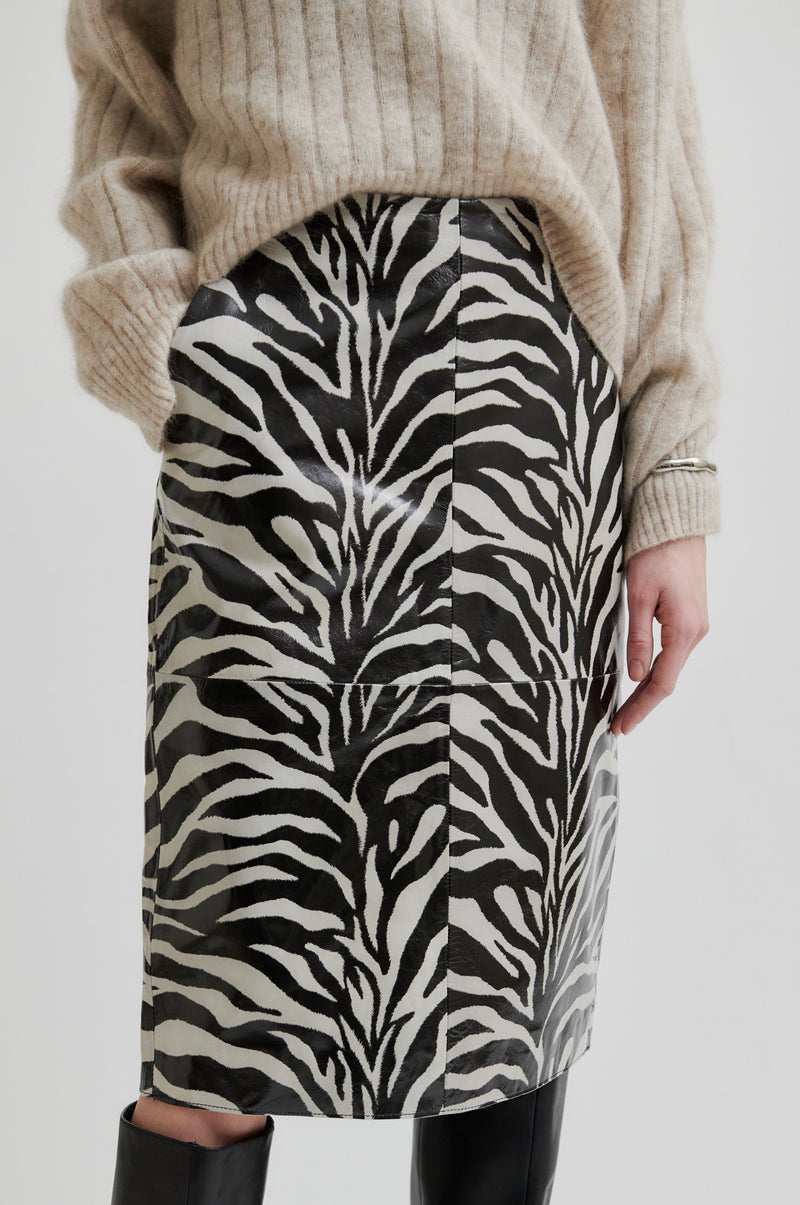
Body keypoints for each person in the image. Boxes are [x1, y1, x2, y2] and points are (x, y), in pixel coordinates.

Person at [57, 2, 721, 1202]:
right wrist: (161, 336)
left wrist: (669, 462)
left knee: (504, 1007)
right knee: (216, 1025)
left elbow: (647, 105)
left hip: (525, 376)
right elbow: (122, 62)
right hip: (272, 360)